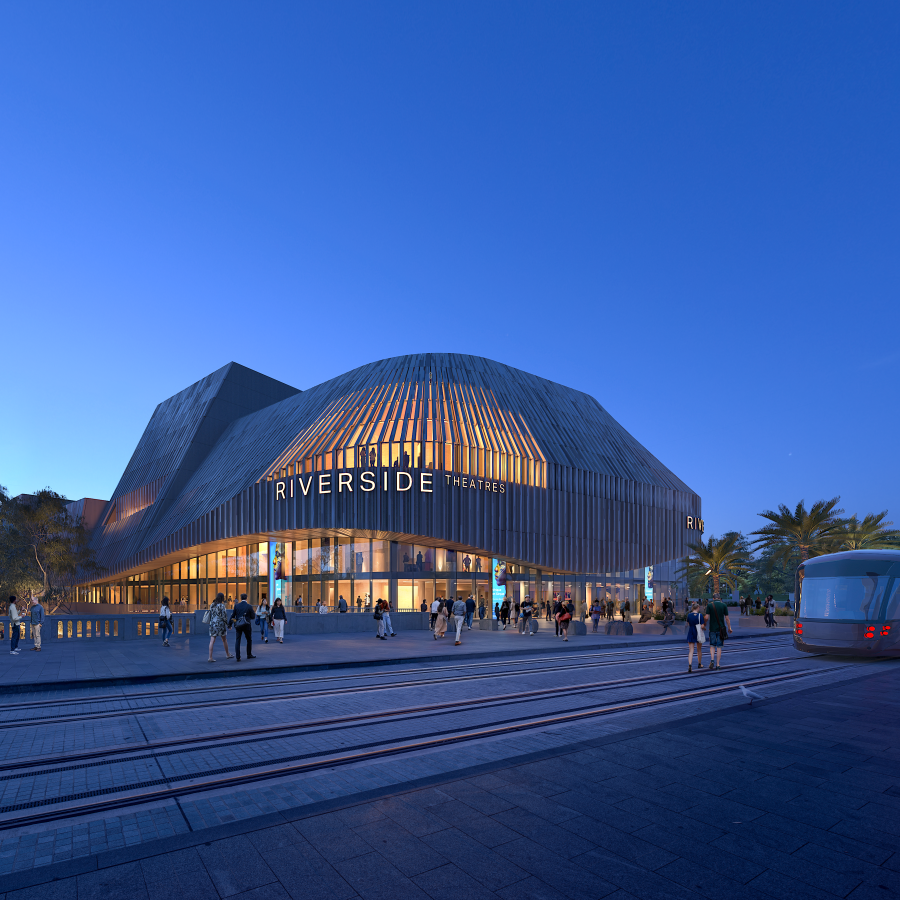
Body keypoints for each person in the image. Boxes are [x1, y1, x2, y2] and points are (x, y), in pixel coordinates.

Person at [706, 595, 733, 670]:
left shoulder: (709, 605)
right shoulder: (724, 605)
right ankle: (718, 665)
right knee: (719, 647)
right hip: (721, 629)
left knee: (712, 645)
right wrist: (729, 628)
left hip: (712, 629)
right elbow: (727, 618)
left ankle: (712, 660)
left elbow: (706, 617)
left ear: (713, 598)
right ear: (720, 598)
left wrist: (704, 624)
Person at [229, 593, 257, 661]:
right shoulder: (249, 606)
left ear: (241, 598)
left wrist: (229, 624)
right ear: (246, 598)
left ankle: (238, 656)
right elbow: (253, 616)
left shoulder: (236, 606)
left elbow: (233, 615)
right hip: (247, 624)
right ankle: (249, 654)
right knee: (249, 639)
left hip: (238, 625)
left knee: (238, 640)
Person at [207, 593, 232, 661]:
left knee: (212, 641)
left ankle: (210, 657)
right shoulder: (222, 606)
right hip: (220, 625)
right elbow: (224, 617)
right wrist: (228, 625)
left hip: (213, 624)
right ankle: (227, 654)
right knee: (224, 640)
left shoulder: (212, 605)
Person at [686, 601, 705, 673]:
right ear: (697, 608)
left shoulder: (689, 615)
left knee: (691, 650)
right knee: (699, 649)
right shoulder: (700, 615)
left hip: (691, 632)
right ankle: (699, 664)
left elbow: (688, 624)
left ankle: (690, 665)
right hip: (698, 633)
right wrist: (703, 627)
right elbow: (702, 626)